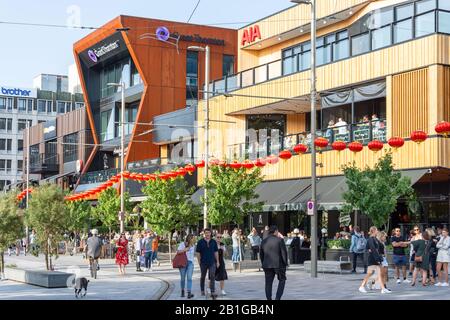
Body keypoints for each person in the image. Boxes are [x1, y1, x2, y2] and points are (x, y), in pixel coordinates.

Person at [359, 226, 391, 294]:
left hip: (375, 259)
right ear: (373, 231)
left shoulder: (375, 239)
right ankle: (362, 286)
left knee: (379, 274)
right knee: (369, 273)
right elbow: (373, 249)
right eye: (376, 230)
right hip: (372, 259)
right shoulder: (371, 239)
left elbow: (376, 248)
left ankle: (383, 289)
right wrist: (378, 259)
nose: (377, 232)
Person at [260, 225, 288, 300]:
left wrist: (263, 263)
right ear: (275, 231)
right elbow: (284, 253)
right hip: (278, 265)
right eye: (277, 231)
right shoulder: (280, 240)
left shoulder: (264, 241)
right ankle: (277, 298)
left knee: (268, 283)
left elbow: (261, 254)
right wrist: (285, 263)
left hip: (267, 265)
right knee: (282, 280)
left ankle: (269, 299)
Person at [196, 228, 220, 299]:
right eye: (206, 233)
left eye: (208, 233)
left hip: (212, 262)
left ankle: (212, 291)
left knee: (212, 275)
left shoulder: (213, 242)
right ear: (204, 234)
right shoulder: (200, 242)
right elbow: (197, 253)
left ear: (210, 233)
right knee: (203, 276)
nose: (207, 234)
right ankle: (202, 290)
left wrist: (218, 261)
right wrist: (199, 262)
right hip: (203, 262)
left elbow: (216, 252)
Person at [177, 234, 196, 298]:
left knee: (189, 278)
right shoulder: (183, 244)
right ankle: (182, 291)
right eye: (192, 238)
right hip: (183, 262)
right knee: (182, 278)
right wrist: (185, 249)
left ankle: (189, 293)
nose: (194, 239)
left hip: (190, 263)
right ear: (189, 238)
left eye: (194, 238)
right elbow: (178, 252)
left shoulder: (193, 245)